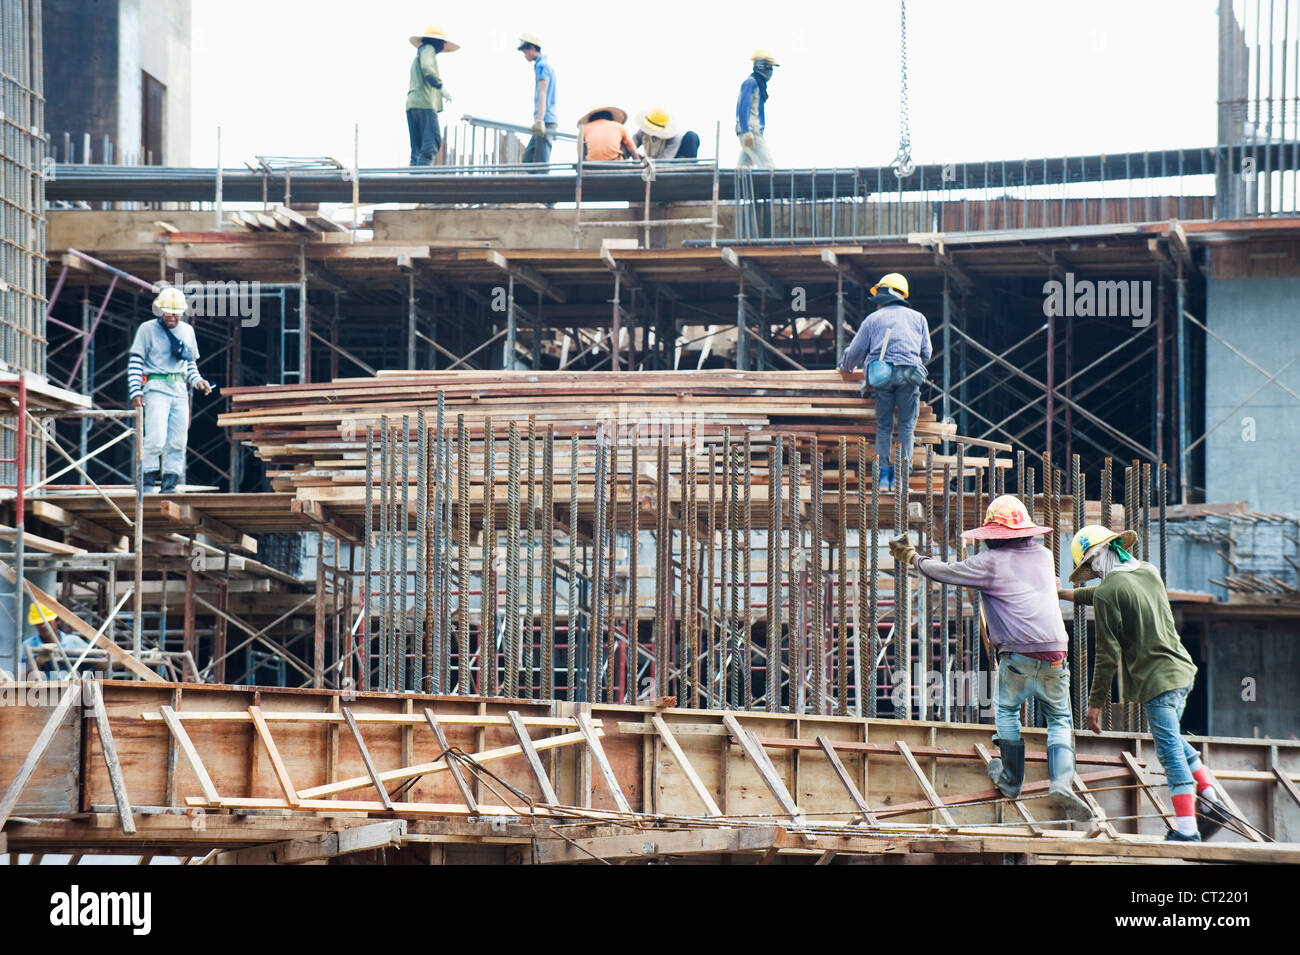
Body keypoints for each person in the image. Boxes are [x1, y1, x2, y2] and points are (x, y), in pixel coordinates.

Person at [890, 496, 1092, 823]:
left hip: (1017, 652)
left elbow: (946, 572)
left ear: (994, 534)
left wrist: (913, 558)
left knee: (1008, 711)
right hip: (1057, 652)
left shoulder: (990, 562)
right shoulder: (1043, 556)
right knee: (1059, 719)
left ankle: (1012, 781)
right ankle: (1062, 781)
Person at [1062, 525, 1234, 842]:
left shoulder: (1109, 592)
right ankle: (1209, 795)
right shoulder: (1148, 571)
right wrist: (1062, 594)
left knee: (1168, 751)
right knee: (1174, 739)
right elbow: (1106, 593)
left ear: (1098, 555)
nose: (1092, 572)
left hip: (1157, 682)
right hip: (1181, 671)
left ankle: (1187, 829)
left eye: (1090, 565)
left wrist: (1094, 704)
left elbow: (1106, 654)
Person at [838, 273, 930, 492]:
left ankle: (883, 479)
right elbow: (926, 353)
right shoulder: (918, 318)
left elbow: (856, 350)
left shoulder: (873, 319)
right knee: (907, 427)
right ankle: (902, 480)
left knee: (884, 427)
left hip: (882, 375)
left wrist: (846, 367)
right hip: (910, 374)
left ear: (884, 296)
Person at [128, 286, 212, 493]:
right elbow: (136, 362)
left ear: (182, 313)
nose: (171, 317)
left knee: (178, 440)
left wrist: (198, 381)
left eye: (175, 313)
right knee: (155, 437)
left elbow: (189, 364)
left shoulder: (187, 331)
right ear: (160, 310)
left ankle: (169, 482)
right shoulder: (147, 329)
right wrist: (135, 391)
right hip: (156, 387)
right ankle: (146, 480)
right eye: (167, 312)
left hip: (179, 389)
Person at [406, 26, 458, 166]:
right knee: (430, 143)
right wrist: (440, 86)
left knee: (416, 150)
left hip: (412, 104)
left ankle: (413, 182)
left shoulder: (419, 55)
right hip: (425, 103)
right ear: (437, 42)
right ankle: (421, 182)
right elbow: (428, 69)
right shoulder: (428, 49)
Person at [518, 33, 557, 167]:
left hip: (546, 120)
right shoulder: (541, 65)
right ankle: (532, 186)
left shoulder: (542, 66)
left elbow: (542, 93)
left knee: (541, 163)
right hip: (543, 119)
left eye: (526, 51)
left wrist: (540, 120)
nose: (525, 55)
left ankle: (544, 187)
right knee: (528, 159)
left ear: (533, 48)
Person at [736, 50, 777, 168]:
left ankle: (733, 186)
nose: (771, 70)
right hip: (751, 130)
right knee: (768, 167)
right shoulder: (750, 82)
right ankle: (773, 187)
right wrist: (746, 131)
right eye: (769, 65)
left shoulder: (760, 86)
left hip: (755, 131)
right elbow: (743, 107)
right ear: (760, 65)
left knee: (743, 168)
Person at [633, 107, 700, 160]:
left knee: (692, 136)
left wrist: (645, 161)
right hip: (654, 162)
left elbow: (666, 159)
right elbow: (631, 144)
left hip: (673, 162)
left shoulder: (674, 138)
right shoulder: (643, 132)